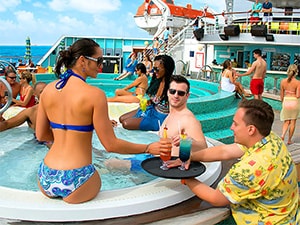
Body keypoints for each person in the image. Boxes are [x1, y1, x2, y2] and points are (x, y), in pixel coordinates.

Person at [35, 38, 160, 204]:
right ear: (82, 61)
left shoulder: (48, 90)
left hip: (46, 175)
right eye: (99, 60)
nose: (101, 65)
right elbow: (111, 145)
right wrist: (148, 147)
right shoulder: (95, 95)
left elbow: (42, 135)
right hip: (78, 177)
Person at [180, 99, 299, 224]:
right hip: (289, 217)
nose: (231, 127)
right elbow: (225, 151)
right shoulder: (271, 139)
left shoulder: (249, 170)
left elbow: (216, 198)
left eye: (235, 124)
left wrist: (186, 177)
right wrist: (191, 157)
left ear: (251, 130)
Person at [106, 75, 207, 170]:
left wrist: (188, 141)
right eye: (172, 91)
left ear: (187, 96)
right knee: (107, 158)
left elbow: (203, 147)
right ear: (167, 92)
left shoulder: (188, 119)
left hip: (165, 165)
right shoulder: (171, 114)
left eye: (181, 93)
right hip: (154, 158)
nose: (176, 95)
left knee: (109, 164)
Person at [119, 54, 175, 131]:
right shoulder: (157, 81)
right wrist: (150, 101)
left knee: (126, 124)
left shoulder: (173, 86)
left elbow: (177, 106)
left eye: (157, 69)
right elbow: (156, 100)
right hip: (152, 109)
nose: (154, 72)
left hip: (160, 117)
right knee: (121, 119)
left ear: (167, 69)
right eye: (153, 69)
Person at [280, 64, 300, 145]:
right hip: (294, 101)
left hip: (286, 100)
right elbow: (298, 95)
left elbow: (281, 95)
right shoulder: (298, 82)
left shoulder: (283, 81)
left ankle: (282, 135)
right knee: (293, 122)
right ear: (296, 72)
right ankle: (289, 140)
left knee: (286, 121)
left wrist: (283, 102)